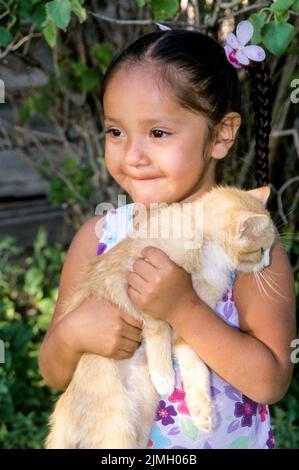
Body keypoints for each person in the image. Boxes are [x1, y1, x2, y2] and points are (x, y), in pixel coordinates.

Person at [39, 21, 296, 449]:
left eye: (158, 133)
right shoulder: (99, 237)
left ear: (222, 135)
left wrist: (183, 307)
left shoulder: (246, 247)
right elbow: (53, 372)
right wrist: (72, 334)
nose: (133, 155)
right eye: (115, 131)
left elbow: (270, 381)